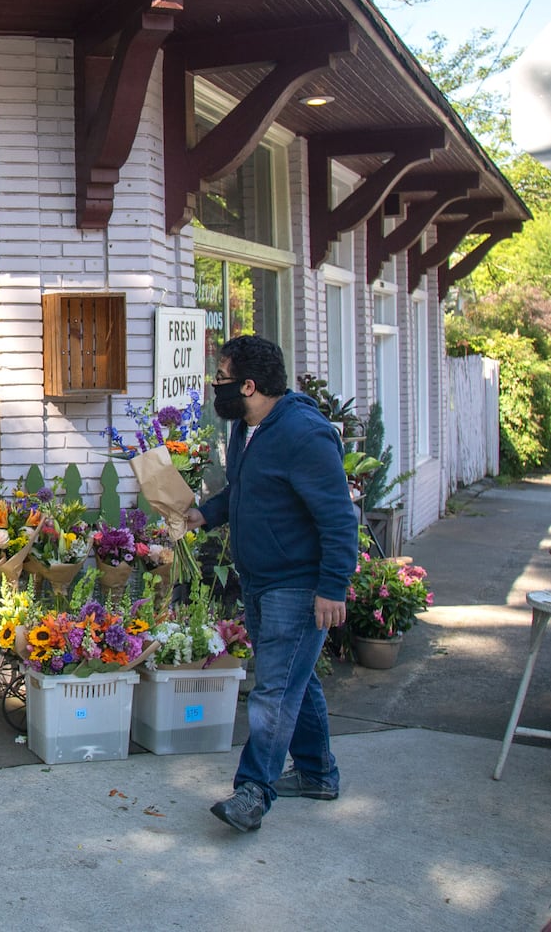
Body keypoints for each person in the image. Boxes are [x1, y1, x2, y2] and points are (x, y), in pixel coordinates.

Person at [184, 335, 358, 833]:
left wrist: (333, 586)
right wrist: (204, 514)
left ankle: (253, 791)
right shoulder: (246, 427)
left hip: (298, 586)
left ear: (250, 385)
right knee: (297, 682)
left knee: (273, 692)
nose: (215, 386)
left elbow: (338, 519)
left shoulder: (305, 434)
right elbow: (243, 490)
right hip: (259, 581)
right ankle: (317, 772)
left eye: (220, 377)